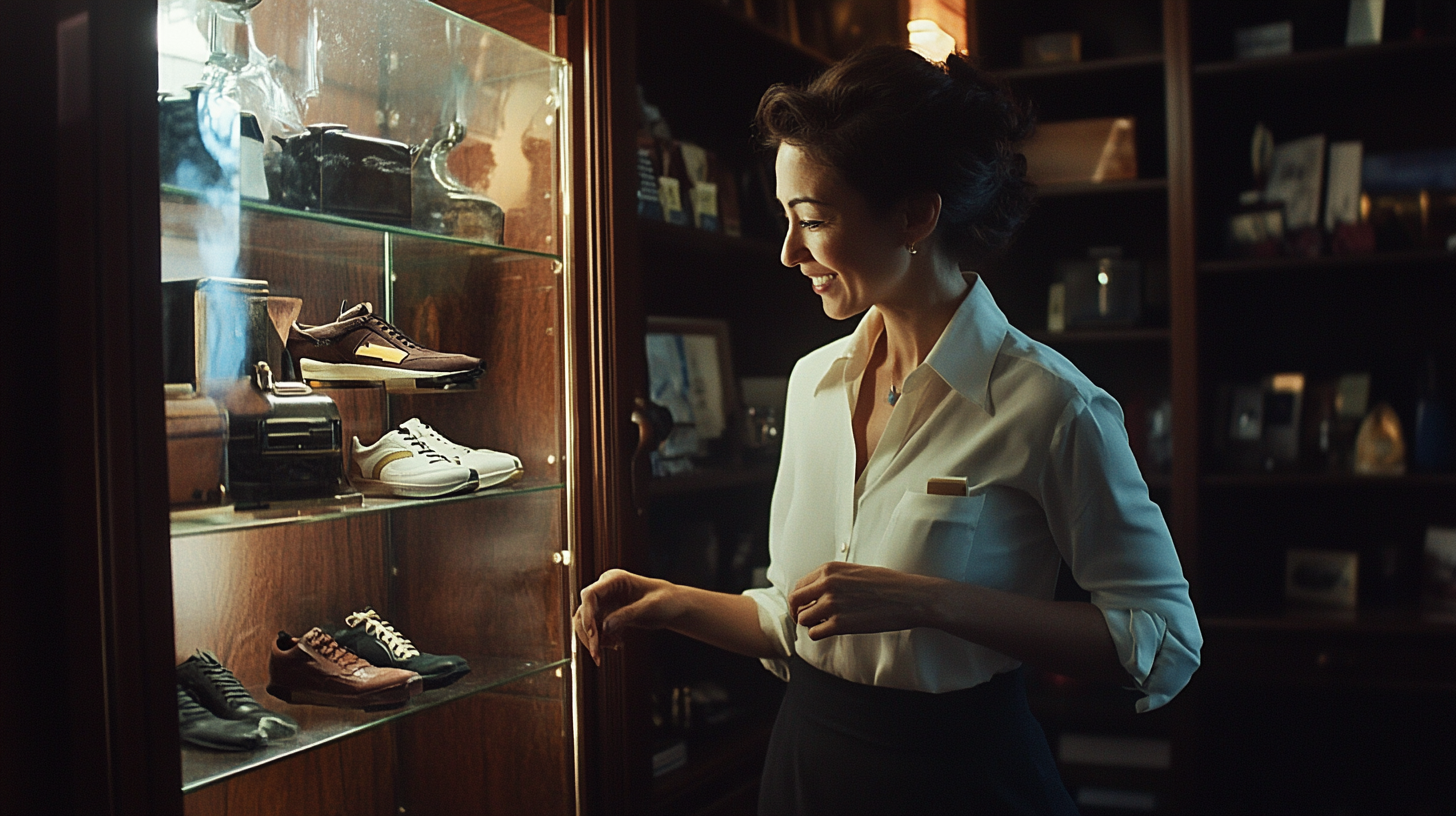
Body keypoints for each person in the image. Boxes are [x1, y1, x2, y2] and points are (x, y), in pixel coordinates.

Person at [574, 45, 1201, 815]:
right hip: (807, 768)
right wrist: (670, 601)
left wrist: (934, 603)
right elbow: (796, 615)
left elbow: (1163, 637)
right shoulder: (812, 384)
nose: (787, 252)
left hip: (961, 780)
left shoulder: (1053, 405)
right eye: (784, 218)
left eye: (813, 219)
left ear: (914, 215)